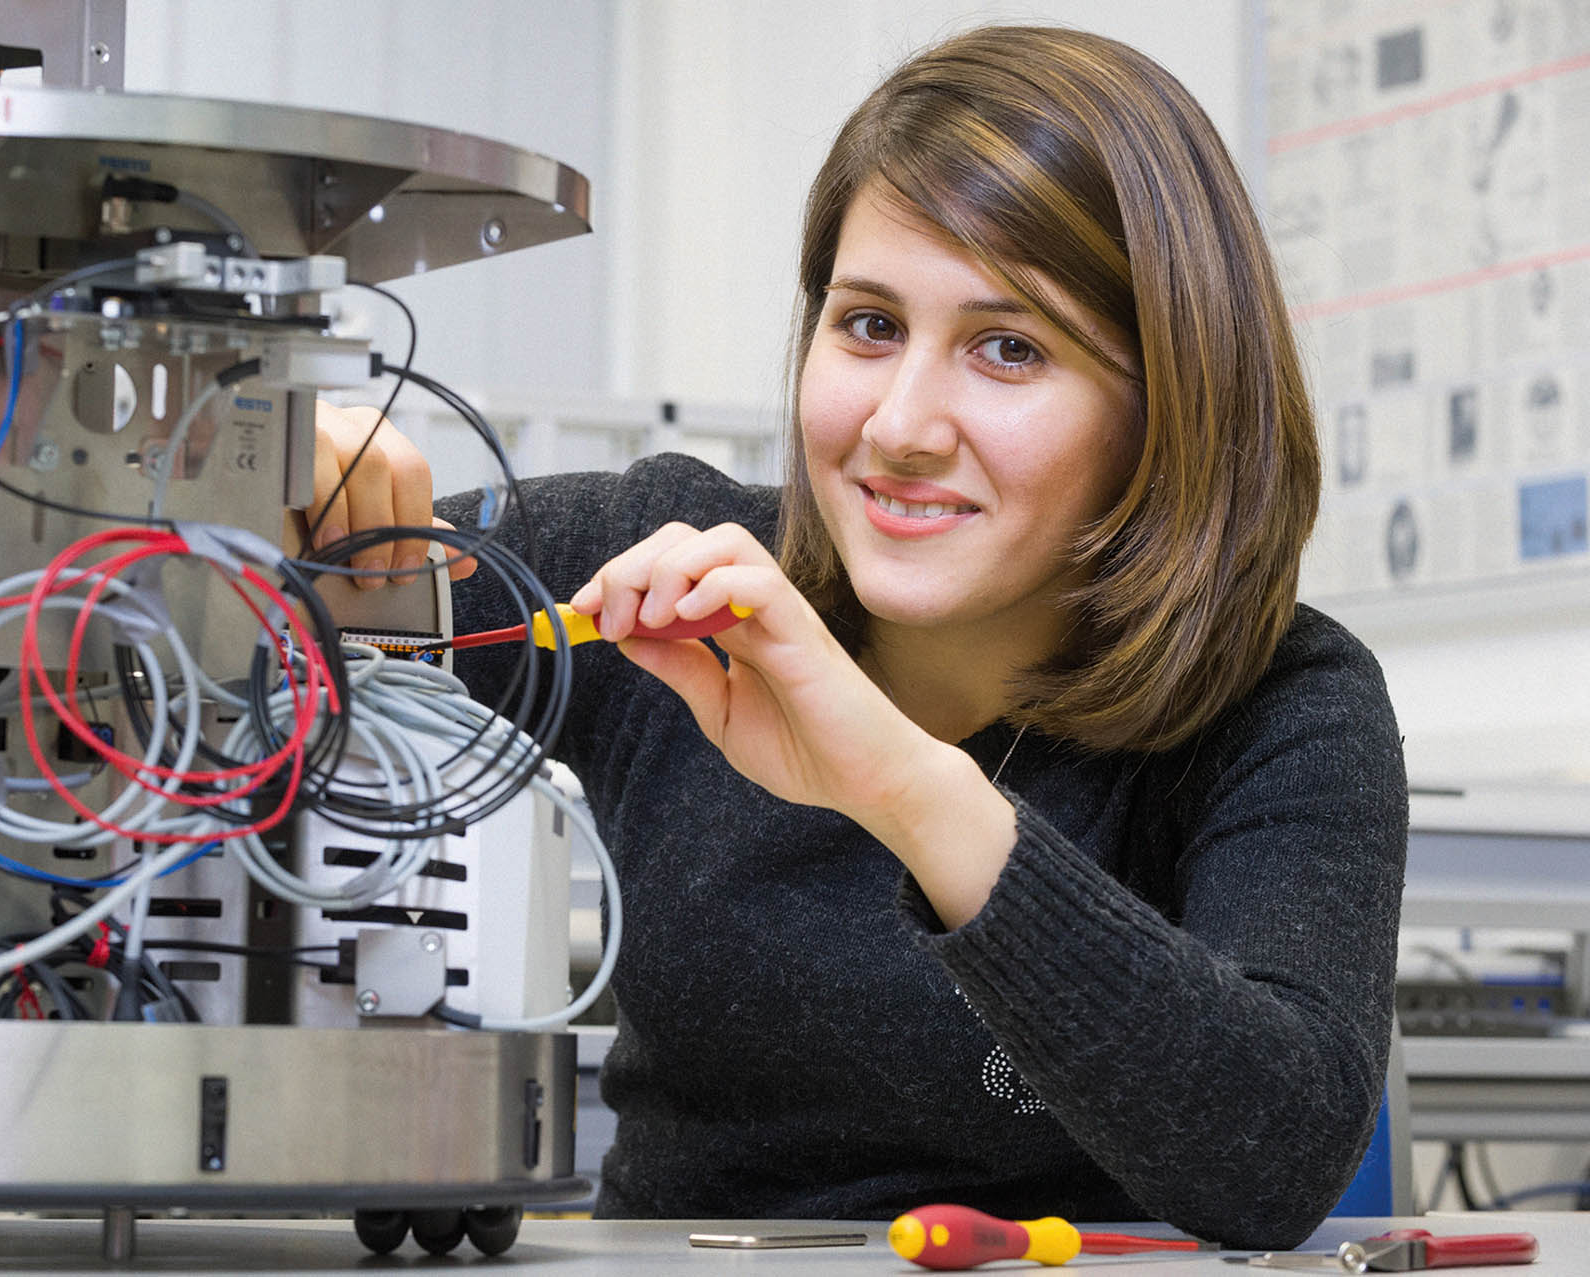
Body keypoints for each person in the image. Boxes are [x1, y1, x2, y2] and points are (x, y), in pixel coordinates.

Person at [302, 25, 1406, 1249]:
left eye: (1009, 348)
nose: (900, 425)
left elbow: (1274, 1154)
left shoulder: (1286, 701)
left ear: (1167, 402)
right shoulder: (657, 564)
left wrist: (895, 781)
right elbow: (206, 632)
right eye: (870, 324)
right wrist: (292, 503)